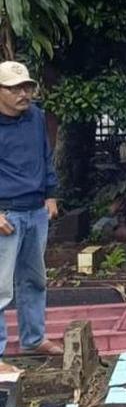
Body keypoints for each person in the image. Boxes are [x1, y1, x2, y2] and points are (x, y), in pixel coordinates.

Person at [0, 61, 63, 374]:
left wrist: (50, 194)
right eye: (14, 88)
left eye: (26, 86)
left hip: (36, 209)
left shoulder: (36, 117)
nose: (23, 93)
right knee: (0, 287)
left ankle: (33, 338)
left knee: (34, 280)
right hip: (5, 213)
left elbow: (45, 154)